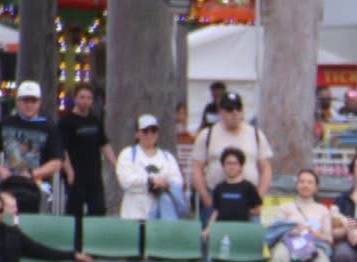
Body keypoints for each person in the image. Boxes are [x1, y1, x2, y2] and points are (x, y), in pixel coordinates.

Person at [189, 92, 274, 221]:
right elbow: (196, 168)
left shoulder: (256, 134)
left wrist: (259, 197)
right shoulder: (207, 135)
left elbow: (266, 168)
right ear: (221, 112)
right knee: (212, 238)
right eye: (229, 109)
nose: (234, 113)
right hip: (216, 197)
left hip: (248, 198)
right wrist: (206, 197)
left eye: (238, 109)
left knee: (250, 239)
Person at [0, 81, 61, 215]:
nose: (29, 105)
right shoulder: (4, 124)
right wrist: (1, 170)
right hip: (10, 181)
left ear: (39, 102)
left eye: (33, 101)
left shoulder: (48, 128)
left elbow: (56, 162)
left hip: (38, 184)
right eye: (25, 100)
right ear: (18, 101)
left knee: (32, 211)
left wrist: (33, 174)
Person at [55, 84, 110, 220]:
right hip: (75, 174)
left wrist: (116, 164)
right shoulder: (66, 122)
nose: (85, 101)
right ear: (75, 99)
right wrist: (69, 171)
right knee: (75, 210)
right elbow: (62, 149)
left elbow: (104, 144)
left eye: (88, 98)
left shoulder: (95, 121)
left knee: (98, 208)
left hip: (94, 174)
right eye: (82, 97)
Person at [115, 115, 187, 220]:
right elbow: (125, 180)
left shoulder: (167, 157)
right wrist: (150, 181)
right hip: (134, 215)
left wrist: (166, 183)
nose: (150, 134)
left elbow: (178, 181)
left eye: (153, 130)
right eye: (145, 131)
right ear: (137, 134)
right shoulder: (127, 154)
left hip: (161, 217)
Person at [268, 169, 334, 262]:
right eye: (302, 181)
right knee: (279, 256)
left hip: (314, 244)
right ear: (297, 185)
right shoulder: (285, 207)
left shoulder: (323, 210)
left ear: (316, 187)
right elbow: (275, 231)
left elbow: (329, 239)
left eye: (310, 182)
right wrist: (294, 230)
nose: (305, 185)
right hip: (289, 243)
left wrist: (314, 233)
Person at [208, 148, 265, 226]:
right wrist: (209, 228)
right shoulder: (219, 188)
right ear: (223, 166)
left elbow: (257, 210)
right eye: (228, 163)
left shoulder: (249, 187)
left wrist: (241, 210)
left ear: (241, 166)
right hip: (222, 230)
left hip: (242, 230)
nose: (231, 167)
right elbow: (216, 211)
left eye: (235, 163)